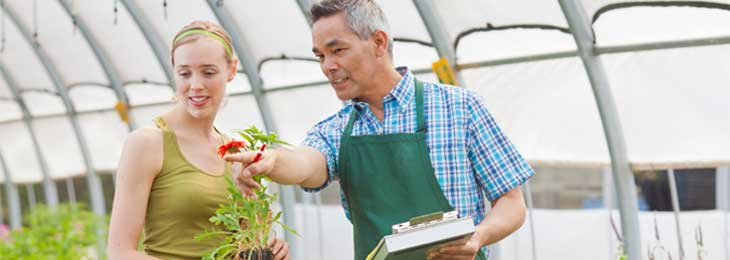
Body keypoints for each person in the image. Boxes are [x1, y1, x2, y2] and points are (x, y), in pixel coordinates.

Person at [225, 0, 534, 259]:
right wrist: (272, 161)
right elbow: (307, 164)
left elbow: (511, 202)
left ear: (378, 43)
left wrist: (479, 236)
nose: (327, 66)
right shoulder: (337, 130)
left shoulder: (459, 108)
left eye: (338, 50)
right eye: (320, 55)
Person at [107, 21, 289, 260]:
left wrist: (269, 249)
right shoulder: (147, 143)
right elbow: (120, 254)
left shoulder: (236, 151)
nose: (195, 86)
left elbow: (244, 241)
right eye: (184, 73)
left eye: (209, 72)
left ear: (231, 69)